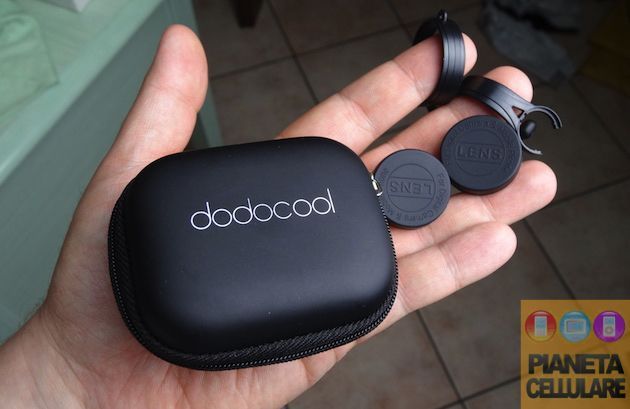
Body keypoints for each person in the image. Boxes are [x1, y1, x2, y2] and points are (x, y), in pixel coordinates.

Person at [0, 25, 555, 408]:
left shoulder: (340, 184)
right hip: (173, 295)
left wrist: (58, 382)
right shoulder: (338, 179)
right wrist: (62, 376)